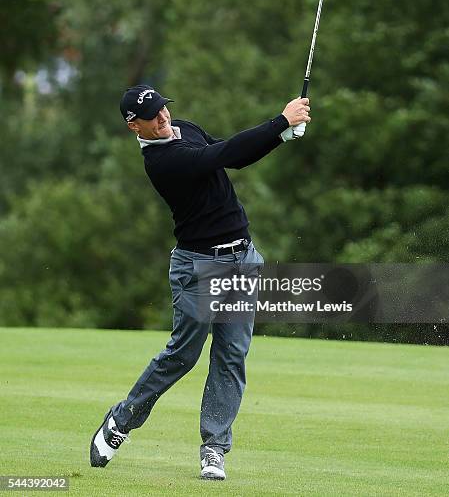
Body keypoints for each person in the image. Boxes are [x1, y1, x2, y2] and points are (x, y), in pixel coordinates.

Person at [90, 84, 311, 480]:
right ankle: (122, 419)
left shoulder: (185, 129)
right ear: (133, 126)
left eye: (162, 108)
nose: (163, 117)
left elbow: (235, 156)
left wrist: (280, 136)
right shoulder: (162, 161)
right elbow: (219, 155)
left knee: (231, 356)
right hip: (199, 267)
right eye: (152, 116)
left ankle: (214, 448)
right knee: (182, 356)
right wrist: (281, 120)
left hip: (242, 260)